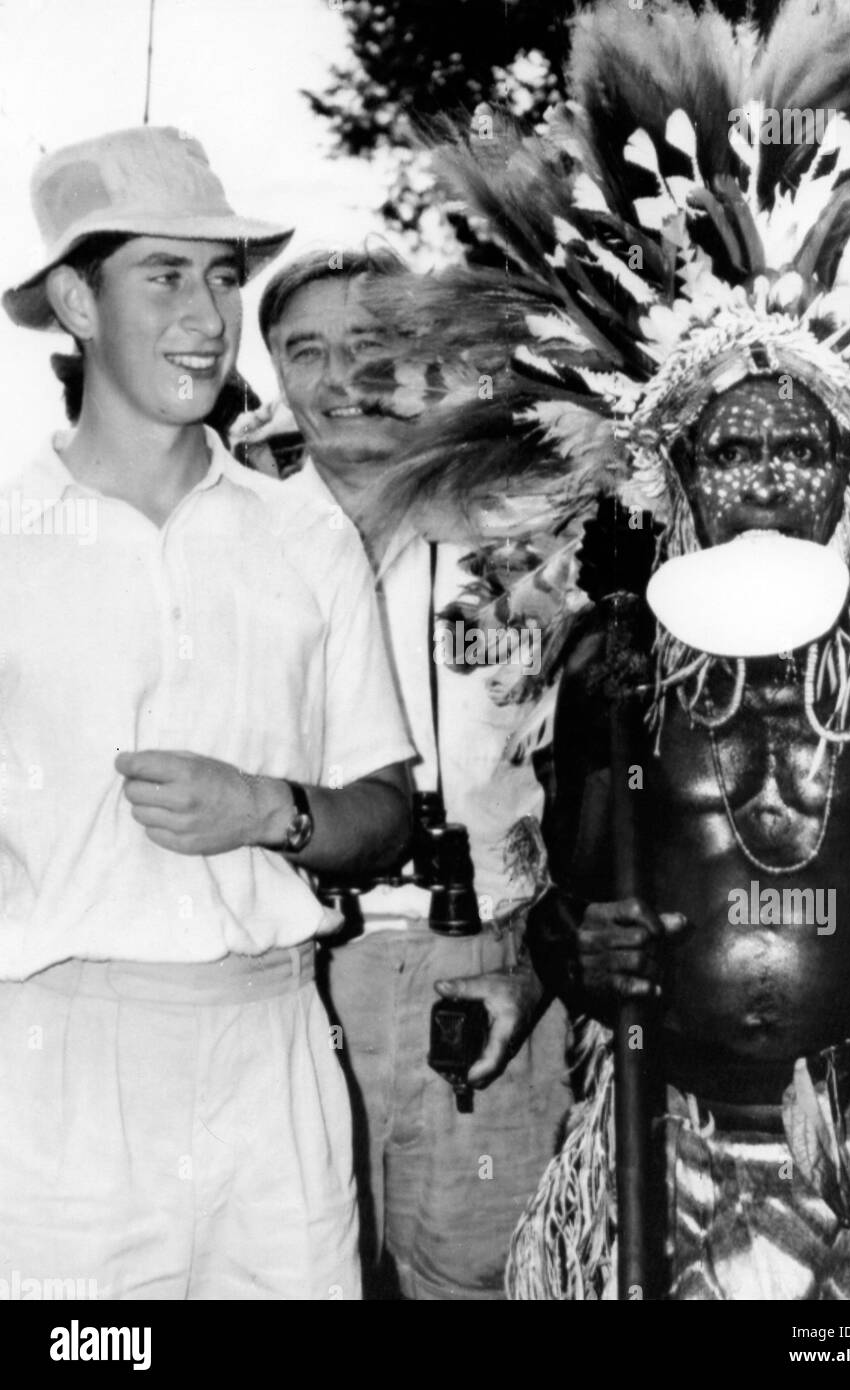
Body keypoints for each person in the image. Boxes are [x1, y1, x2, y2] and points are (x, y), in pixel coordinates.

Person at [354, 0, 850, 1299]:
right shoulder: (614, 668)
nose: (764, 479)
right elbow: (567, 918)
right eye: (730, 449)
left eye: (799, 448)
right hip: (674, 1140)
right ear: (676, 475)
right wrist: (576, 954)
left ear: (848, 474)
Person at [0, 126, 414, 1301]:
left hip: (271, 1057)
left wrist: (267, 810)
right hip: (55, 1083)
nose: (207, 314)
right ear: (78, 299)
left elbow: (382, 816)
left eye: (225, 277)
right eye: (165, 274)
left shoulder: (303, 532)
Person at [251, 248, 570, 1300]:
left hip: (485, 977)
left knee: (479, 1281)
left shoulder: (530, 534)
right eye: (308, 350)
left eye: (373, 345)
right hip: (282, 986)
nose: (343, 375)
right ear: (276, 376)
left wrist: (536, 963)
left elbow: (617, 770)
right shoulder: (227, 542)